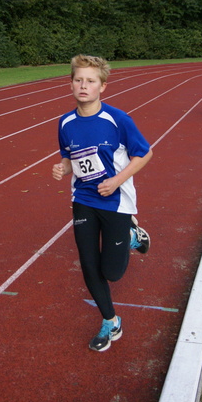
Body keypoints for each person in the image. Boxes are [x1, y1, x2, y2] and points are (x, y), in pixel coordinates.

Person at [52, 54, 153, 352]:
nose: (83, 86)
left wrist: (118, 180)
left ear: (102, 87)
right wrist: (62, 167)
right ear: (70, 84)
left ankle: (133, 235)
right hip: (83, 199)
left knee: (112, 272)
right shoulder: (65, 123)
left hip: (115, 202)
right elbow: (70, 157)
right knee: (88, 265)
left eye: (90, 81)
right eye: (78, 80)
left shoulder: (118, 120)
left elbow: (144, 153)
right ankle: (111, 321)